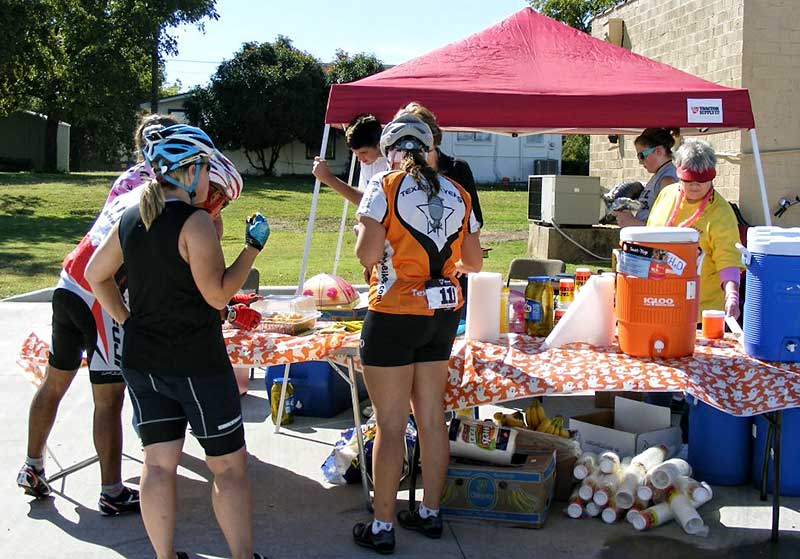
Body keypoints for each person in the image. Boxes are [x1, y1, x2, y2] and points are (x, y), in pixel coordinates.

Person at [85, 124, 268, 559]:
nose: (209, 177)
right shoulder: (195, 221)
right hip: (196, 361)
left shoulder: (132, 216)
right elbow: (219, 294)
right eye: (204, 167)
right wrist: (252, 249)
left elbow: (96, 274)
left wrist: (128, 321)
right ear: (187, 172)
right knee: (228, 469)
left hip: (144, 358)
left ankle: (165, 556)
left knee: (158, 464)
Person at [15, 113, 178, 513]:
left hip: (67, 282)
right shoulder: (161, 188)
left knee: (55, 381)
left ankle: (31, 465)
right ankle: (112, 490)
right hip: (97, 293)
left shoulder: (127, 177)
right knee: (109, 398)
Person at [351, 114, 482, 554]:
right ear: (429, 149)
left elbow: (366, 254)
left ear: (391, 151)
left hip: (392, 314)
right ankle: (429, 513)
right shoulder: (459, 192)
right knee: (430, 419)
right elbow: (475, 262)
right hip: (441, 314)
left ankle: (382, 526)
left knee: (389, 427)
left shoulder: (383, 187)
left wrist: (380, 247)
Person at [645, 138, 744, 429]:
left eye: (703, 181)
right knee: (659, 373)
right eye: (690, 181)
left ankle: (693, 439)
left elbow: (728, 258)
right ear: (678, 172)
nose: (696, 188)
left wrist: (732, 294)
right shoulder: (666, 197)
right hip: (662, 302)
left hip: (703, 310)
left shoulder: (720, 212)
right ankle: (656, 432)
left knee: (697, 381)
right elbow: (649, 239)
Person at [312, 114, 389, 205]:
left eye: (363, 152)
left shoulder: (391, 164)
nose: (359, 159)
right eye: (355, 153)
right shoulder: (370, 159)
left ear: (379, 144)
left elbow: (369, 203)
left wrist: (328, 178)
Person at [614, 127, 680, 227]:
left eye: (642, 156)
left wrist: (632, 222)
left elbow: (668, 227)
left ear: (658, 151)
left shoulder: (667, 181)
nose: (640, 162)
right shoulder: (660, 175)